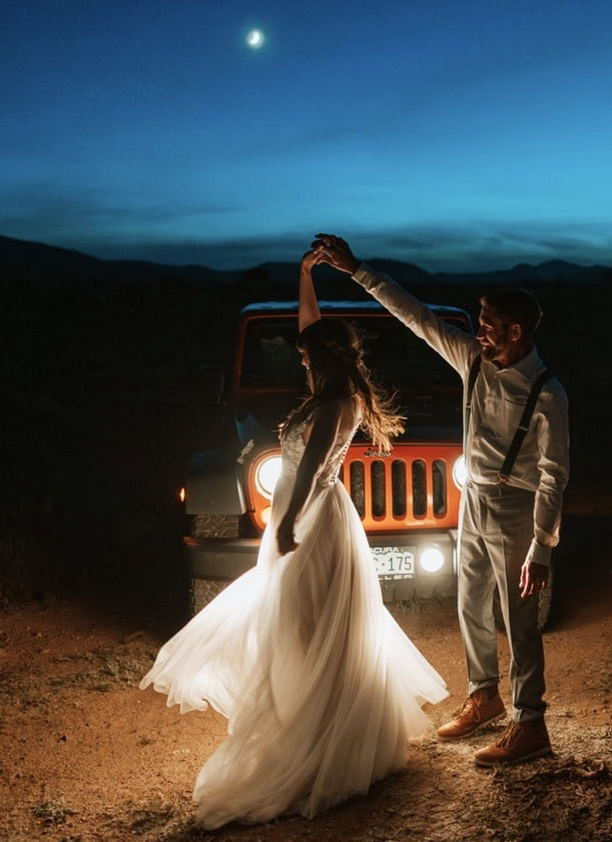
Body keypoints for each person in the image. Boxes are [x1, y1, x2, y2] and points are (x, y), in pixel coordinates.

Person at [139, 244, 448, 828]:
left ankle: (315, 734)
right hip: (304, 517)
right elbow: (312, 328)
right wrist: (306, 274)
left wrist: (283, 527)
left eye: (308, 361)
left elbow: (308, 474)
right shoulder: (328, 387)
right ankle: (303, 713)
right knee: (298, 621)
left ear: (324, 363)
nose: (302, 365)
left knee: (305, 621)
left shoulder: (337, 405)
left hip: (311, 522)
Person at [313, 233, 570, 767]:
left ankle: (532, 723)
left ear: (516, 332)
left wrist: (541, 548)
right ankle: (485, 695)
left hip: (515, 506)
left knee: (518, 617)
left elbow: (553, 475)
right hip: (471, 500)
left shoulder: (547, 391)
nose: (478, 333)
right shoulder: (471, 361)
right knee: (469, 600)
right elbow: (417, 316)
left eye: (489, 326)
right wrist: (357, 269)